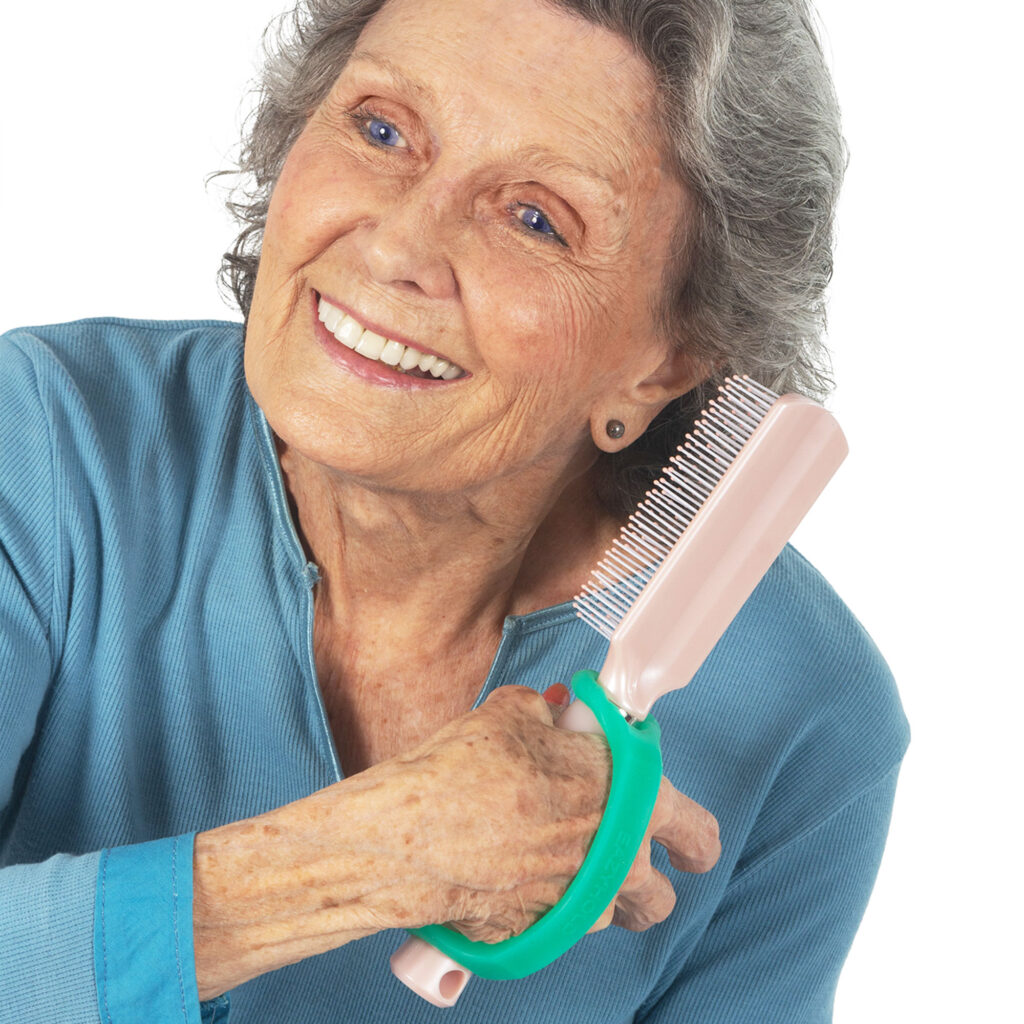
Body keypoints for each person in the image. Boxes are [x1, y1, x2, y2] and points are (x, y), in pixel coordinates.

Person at [0, 0, 909, 1020]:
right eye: (382, 129)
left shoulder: (805, 709)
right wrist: (368, 860)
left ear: (664, 366)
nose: (398, 245)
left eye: (534, 219)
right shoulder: (39, 443)